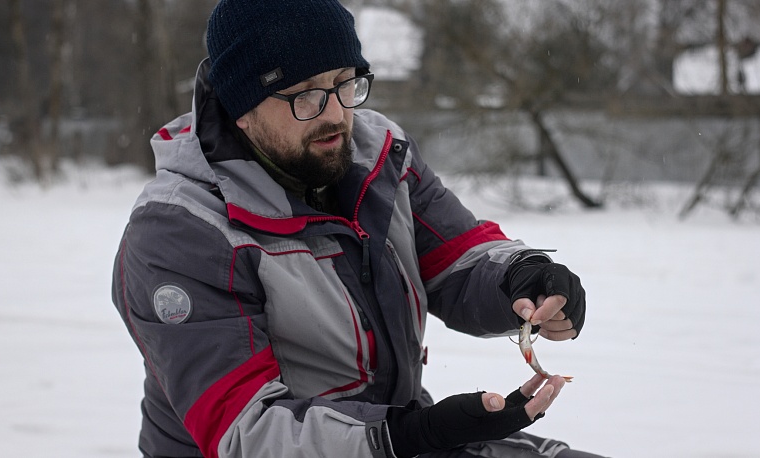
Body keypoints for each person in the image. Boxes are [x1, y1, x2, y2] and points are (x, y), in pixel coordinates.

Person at [111, 1, 599, 457]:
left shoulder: (377, 154)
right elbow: (247, 428)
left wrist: (523, 277)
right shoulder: (180, 232)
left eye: (347, 83)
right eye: (305, 95)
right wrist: (407, 435)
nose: (336, 114)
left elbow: (456, 257)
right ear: (243, 107)